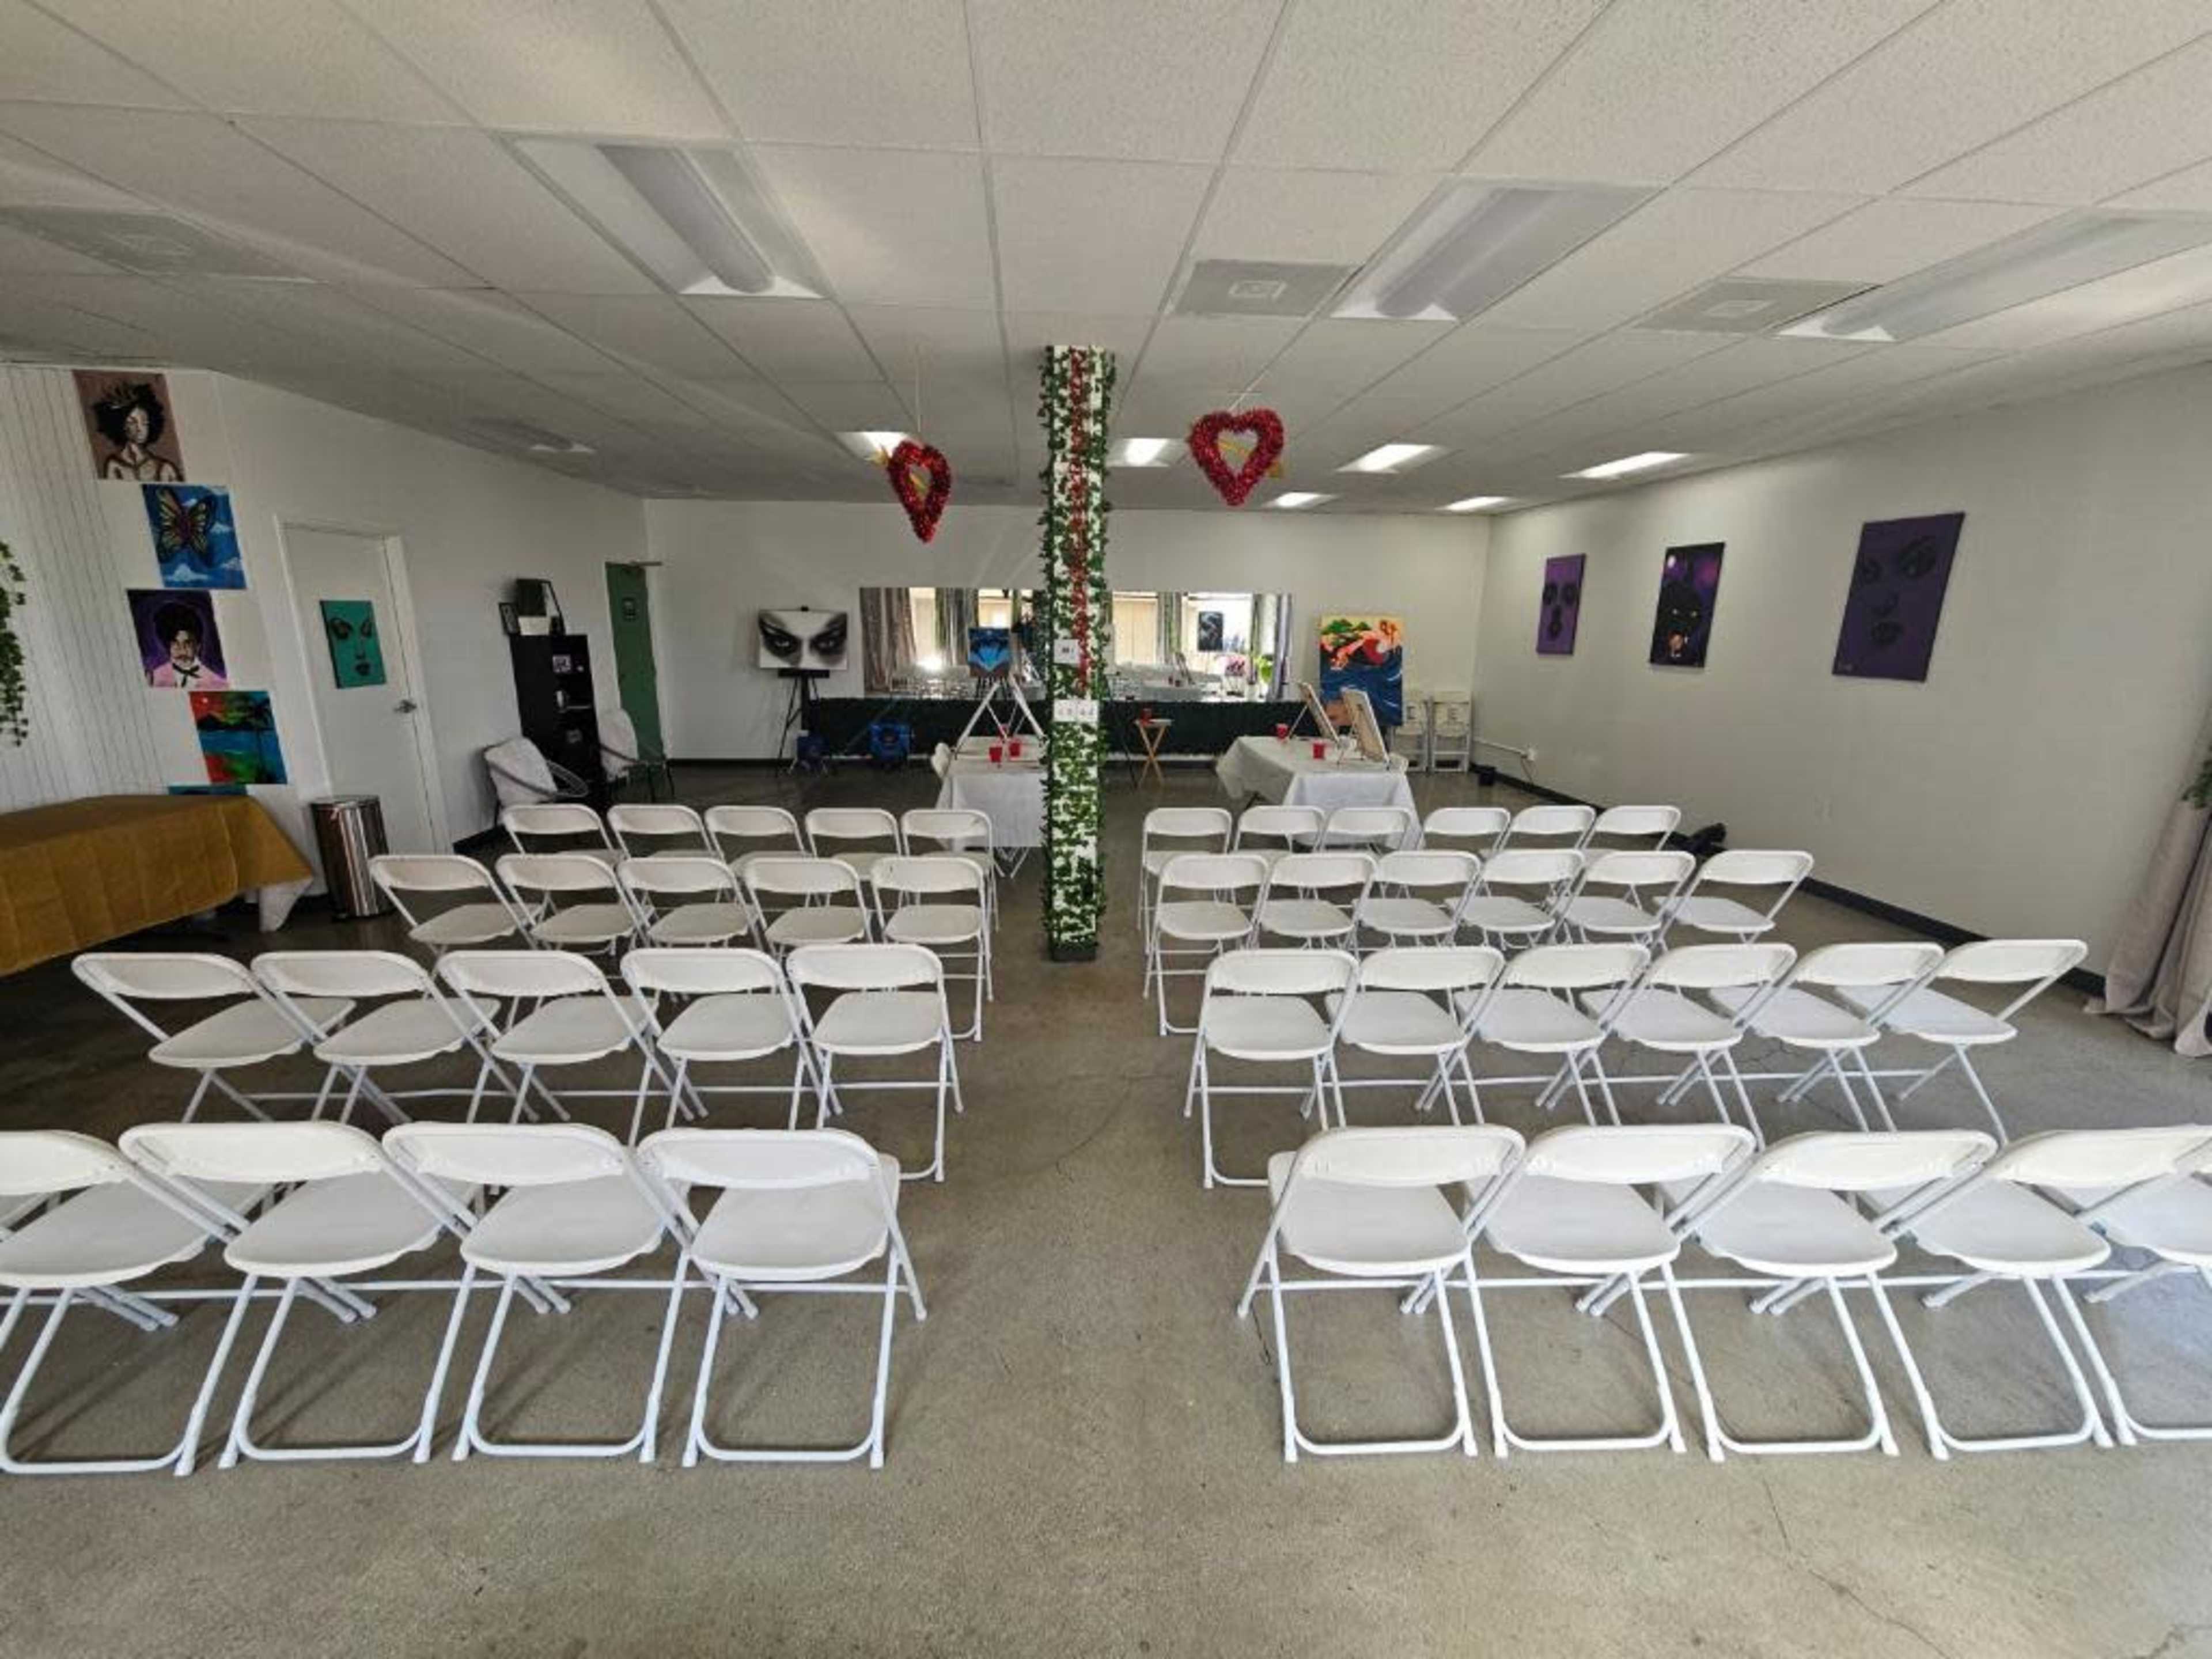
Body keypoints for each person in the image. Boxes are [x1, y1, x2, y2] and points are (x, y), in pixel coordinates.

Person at [90, 381, 183, 482]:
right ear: (122, 426)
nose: (140, 428)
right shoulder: (114, 465)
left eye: (145, 422)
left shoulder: (165, 468)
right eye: (132, 422)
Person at [146, 600, 224, 688]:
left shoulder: (218, 683)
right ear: (168, 646)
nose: (182, 650)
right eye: (175, 643)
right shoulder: (153, 678)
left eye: (188, 644)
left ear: (198, 646)